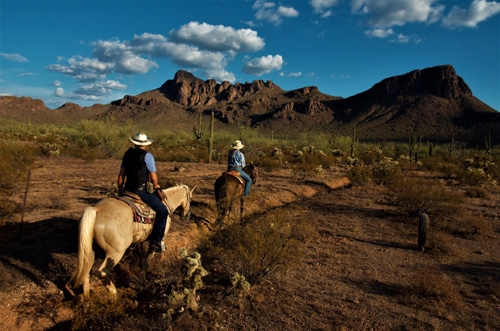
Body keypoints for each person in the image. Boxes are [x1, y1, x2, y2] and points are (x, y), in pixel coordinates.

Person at [117, 132, 168, 253]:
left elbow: (121, 176)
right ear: (145, 144)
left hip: (127, 189)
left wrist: (120, 191)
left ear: (134, 143)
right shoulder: (148, 156)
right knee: (163, 211)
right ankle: (155, 242)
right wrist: (156, 185)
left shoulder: (127, 154)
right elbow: (153, 176)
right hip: (140, 191)